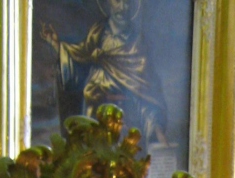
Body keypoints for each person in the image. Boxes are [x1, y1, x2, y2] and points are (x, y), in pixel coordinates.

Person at [39, 0, 169, 149]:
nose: (122, 7)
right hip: (96, 113)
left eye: (127, 2)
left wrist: (155, 127)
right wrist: (56, 45)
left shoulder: (138, 42)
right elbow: (78, 58)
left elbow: (147, 91)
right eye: (117, 1)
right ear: (108, 3)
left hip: (127, 120)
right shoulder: (98, 32)